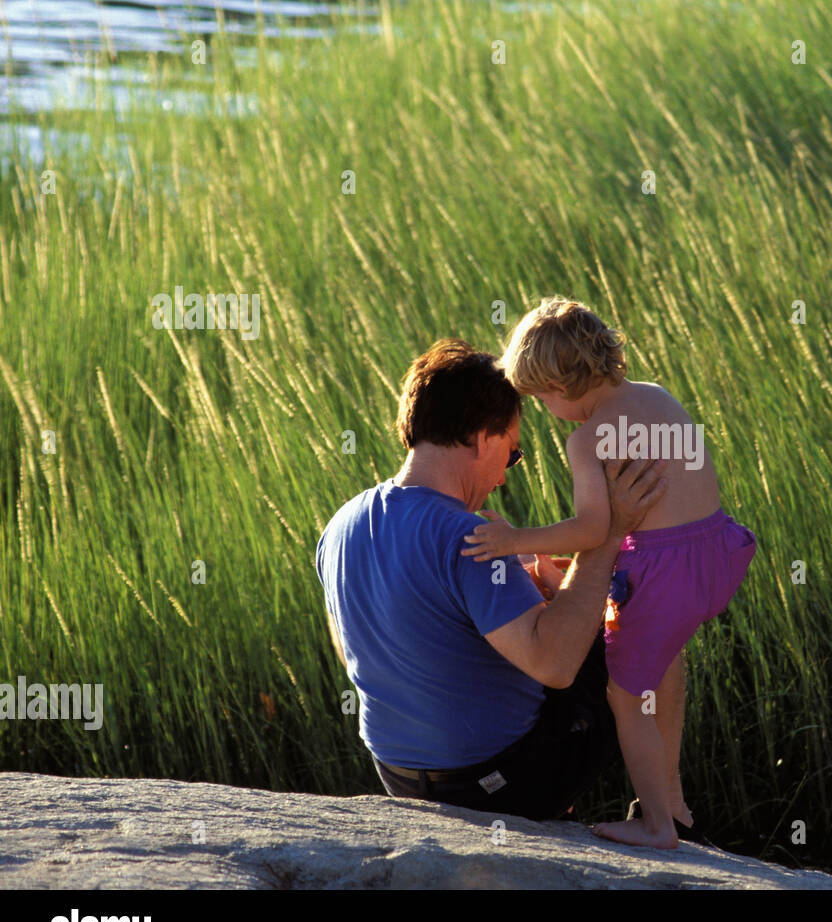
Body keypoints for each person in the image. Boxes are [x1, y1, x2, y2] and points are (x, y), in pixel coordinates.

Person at [315, 338, 666, 822]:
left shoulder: (340, 525)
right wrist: (610, 534)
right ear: (483, 437)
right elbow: (556, 665)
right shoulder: (470, 536)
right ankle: (669, 817)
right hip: (496, 783)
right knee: (650, 627)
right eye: (513, 454)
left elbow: (373, 639)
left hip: (398, 776)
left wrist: (507, 600)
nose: (504, 477)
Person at [461, 298, 757, 849]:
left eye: (541, 396)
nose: (545, 408)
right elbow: (659, 514)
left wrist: (514, 540)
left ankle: (657, 825)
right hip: (716, 554)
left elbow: (596, 528)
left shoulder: (588, 437)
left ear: (559, 384)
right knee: (663, 667)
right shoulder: (658, 398)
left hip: (664, 576)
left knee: (624, 697)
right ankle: (670, 794)